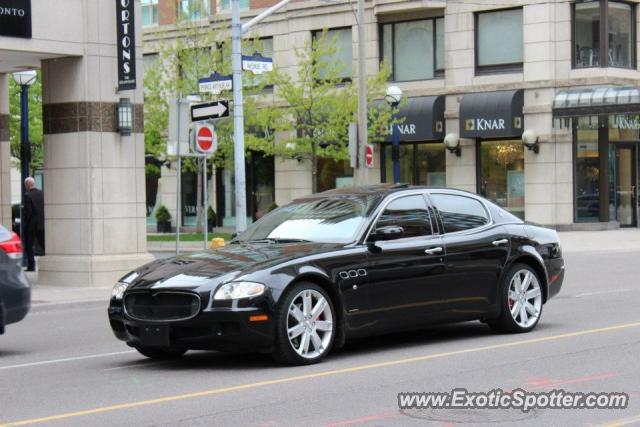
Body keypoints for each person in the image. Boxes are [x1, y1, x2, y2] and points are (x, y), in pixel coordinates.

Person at [23, 177, 45, 272]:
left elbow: (28, 212)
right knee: (43, 244)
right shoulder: (42, 193)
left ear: (28, 184)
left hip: (32, 225)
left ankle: (31, 266)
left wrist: (25, 224)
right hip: (42, 223)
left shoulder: (27, 195)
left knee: (29, 245)